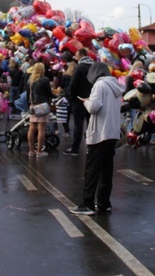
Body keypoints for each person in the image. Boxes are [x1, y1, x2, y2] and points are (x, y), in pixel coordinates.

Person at [69, 62, 125, 215]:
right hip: (112, 133)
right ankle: (103, 202)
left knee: (92, 170)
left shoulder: (99, 85)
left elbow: (94, 107)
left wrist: (86, 101)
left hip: (100, 132)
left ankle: (87, 203)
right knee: (106, 170)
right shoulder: (115, 86)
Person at [63, 48, 94, 156]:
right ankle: (92, 147)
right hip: (91, 99)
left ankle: (75, 148)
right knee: (91, 124)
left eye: (76, 55)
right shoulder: (93, 66)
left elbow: (73, 84)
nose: (75, 58)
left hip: (79, 100)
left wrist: (72, 97)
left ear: (81, 55)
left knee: (78, 125)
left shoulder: (79, 67)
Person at [27, 62, 53, 158]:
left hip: (33, 106)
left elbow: (27, 95)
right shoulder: (45, 80)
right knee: (41, 129)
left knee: (31, 128)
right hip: (42, 106)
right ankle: (39, 152)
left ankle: (31, 151)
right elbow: (49, 94)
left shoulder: (30, 80)